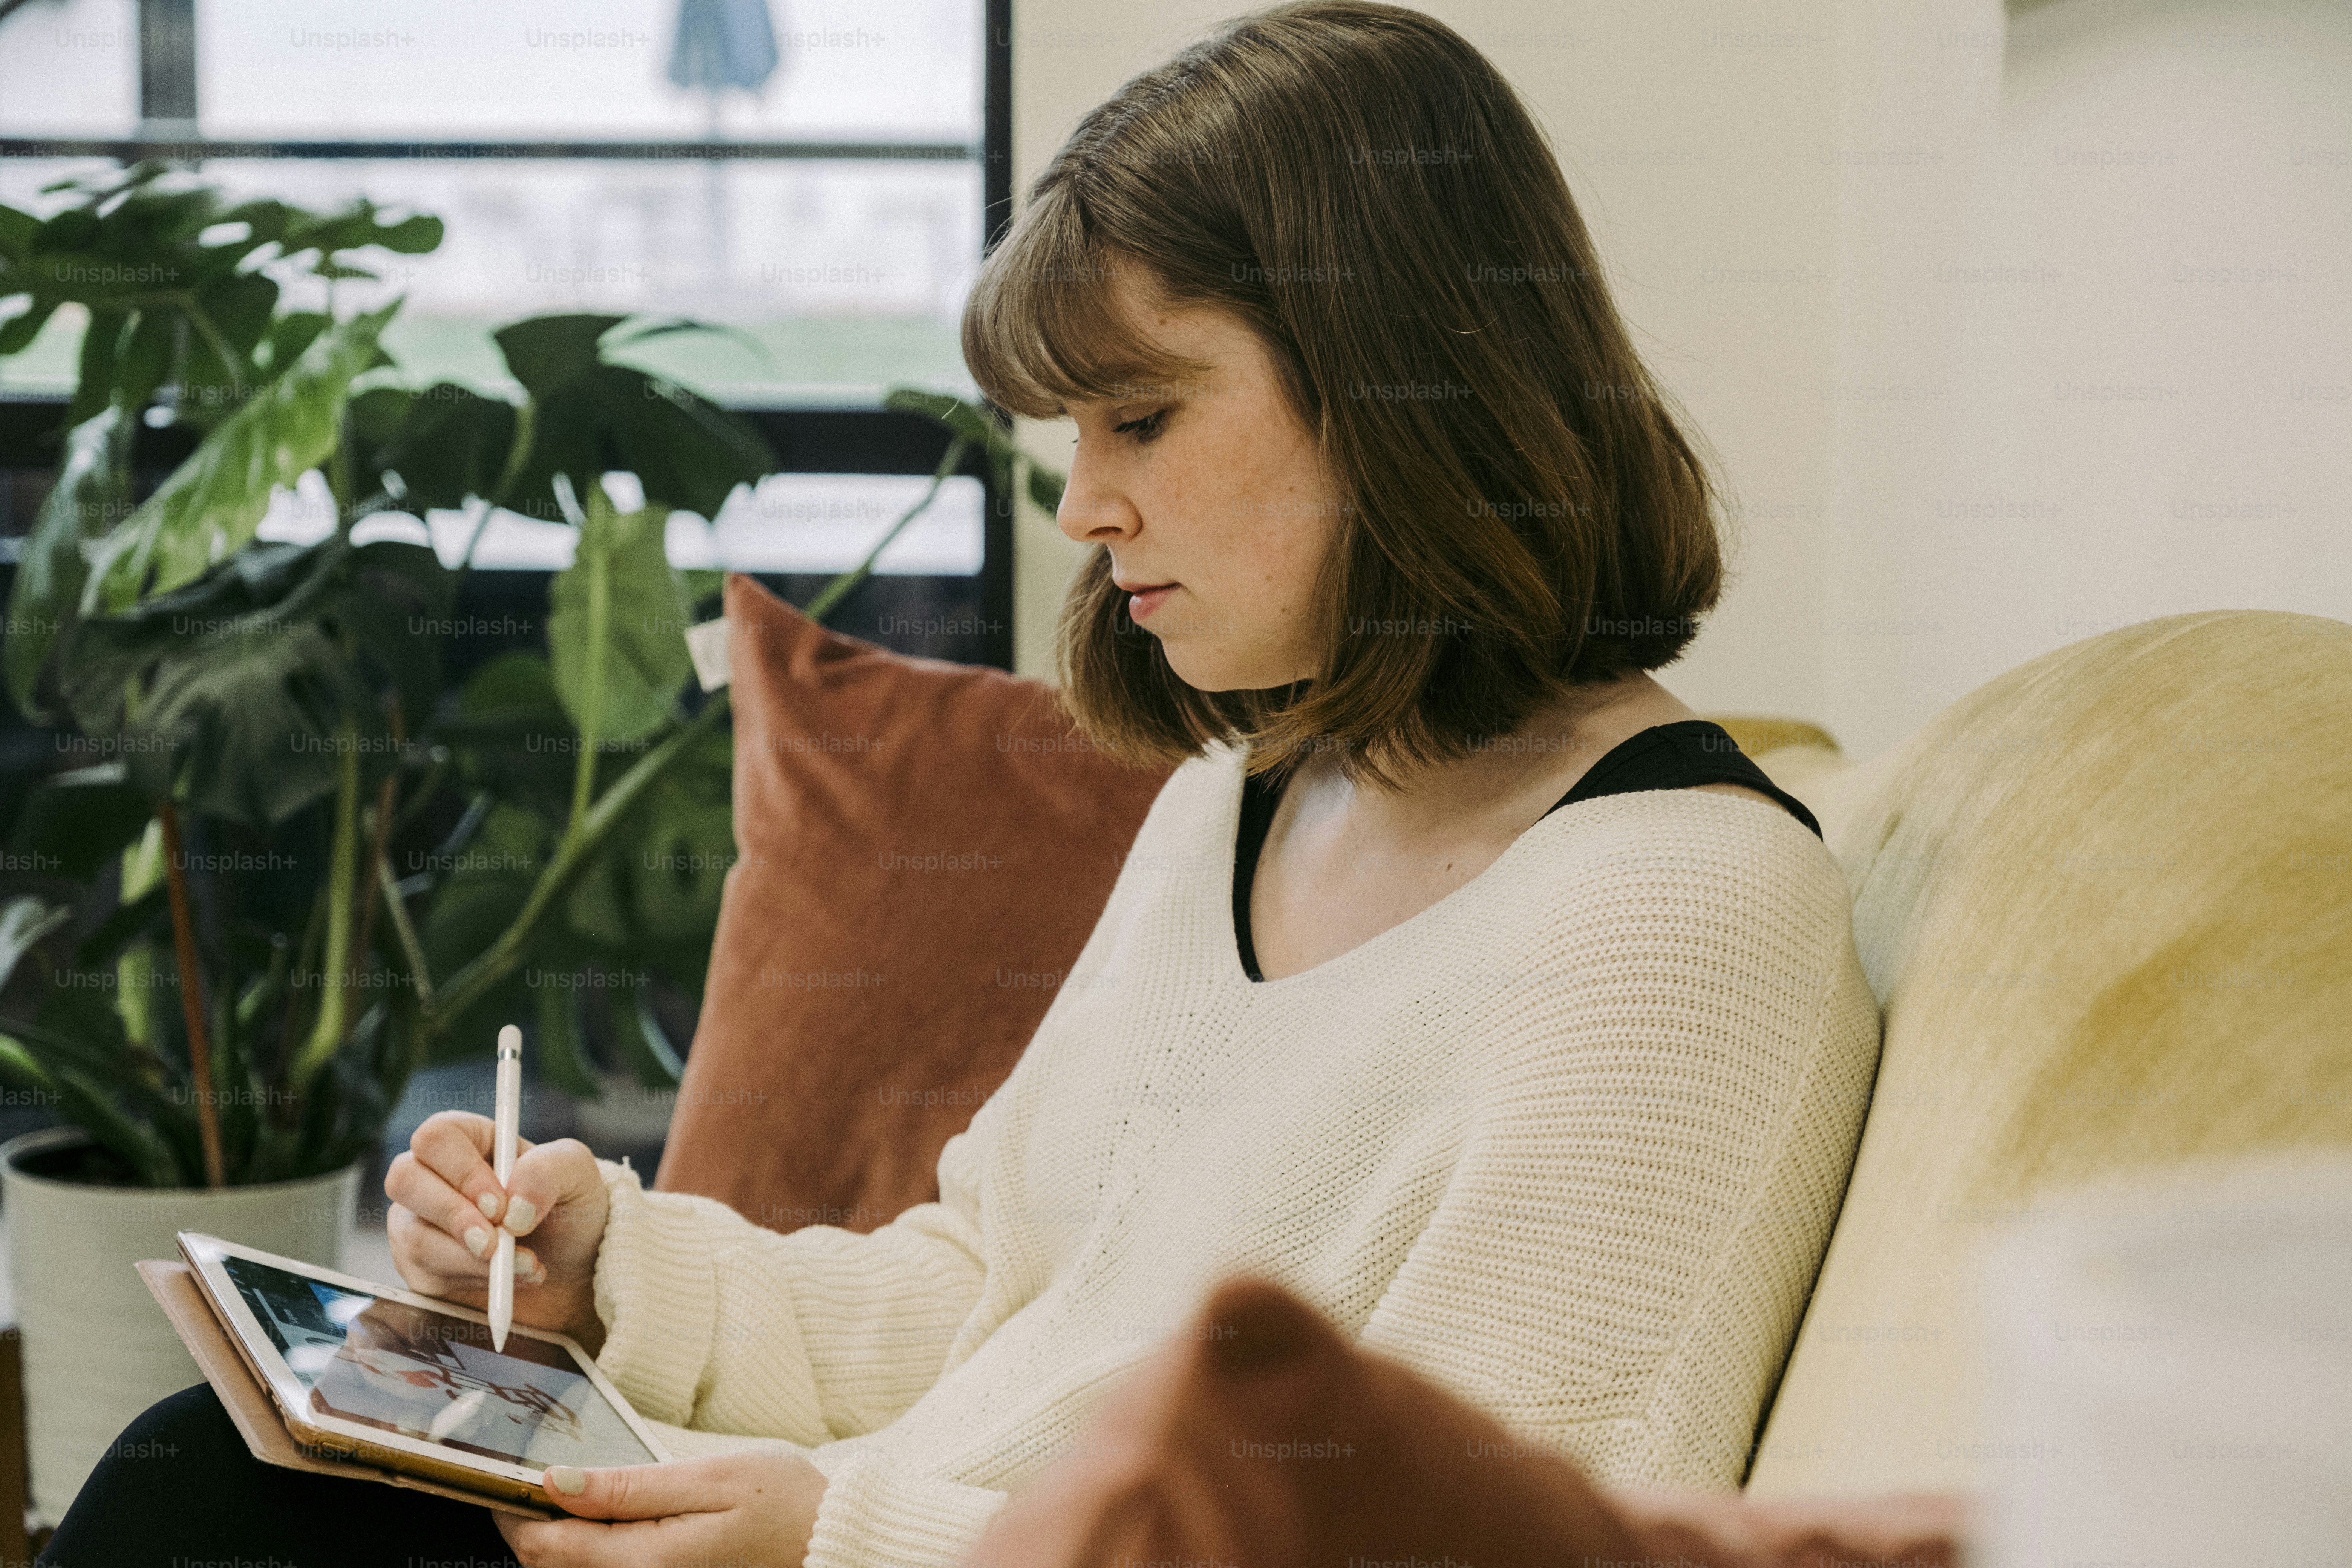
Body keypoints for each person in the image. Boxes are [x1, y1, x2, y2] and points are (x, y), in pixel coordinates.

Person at [44, 4, 1883, 1565]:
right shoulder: (1242, 794)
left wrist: (840, 1539)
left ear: (1405, 390)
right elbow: (993, 1294)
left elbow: (1453, 1536)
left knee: (202, 1505)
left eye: (1141, 418)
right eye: (1069, 436)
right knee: (212, 1462)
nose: (1085, 506)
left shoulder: (1683, 922)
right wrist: (619, 1266)